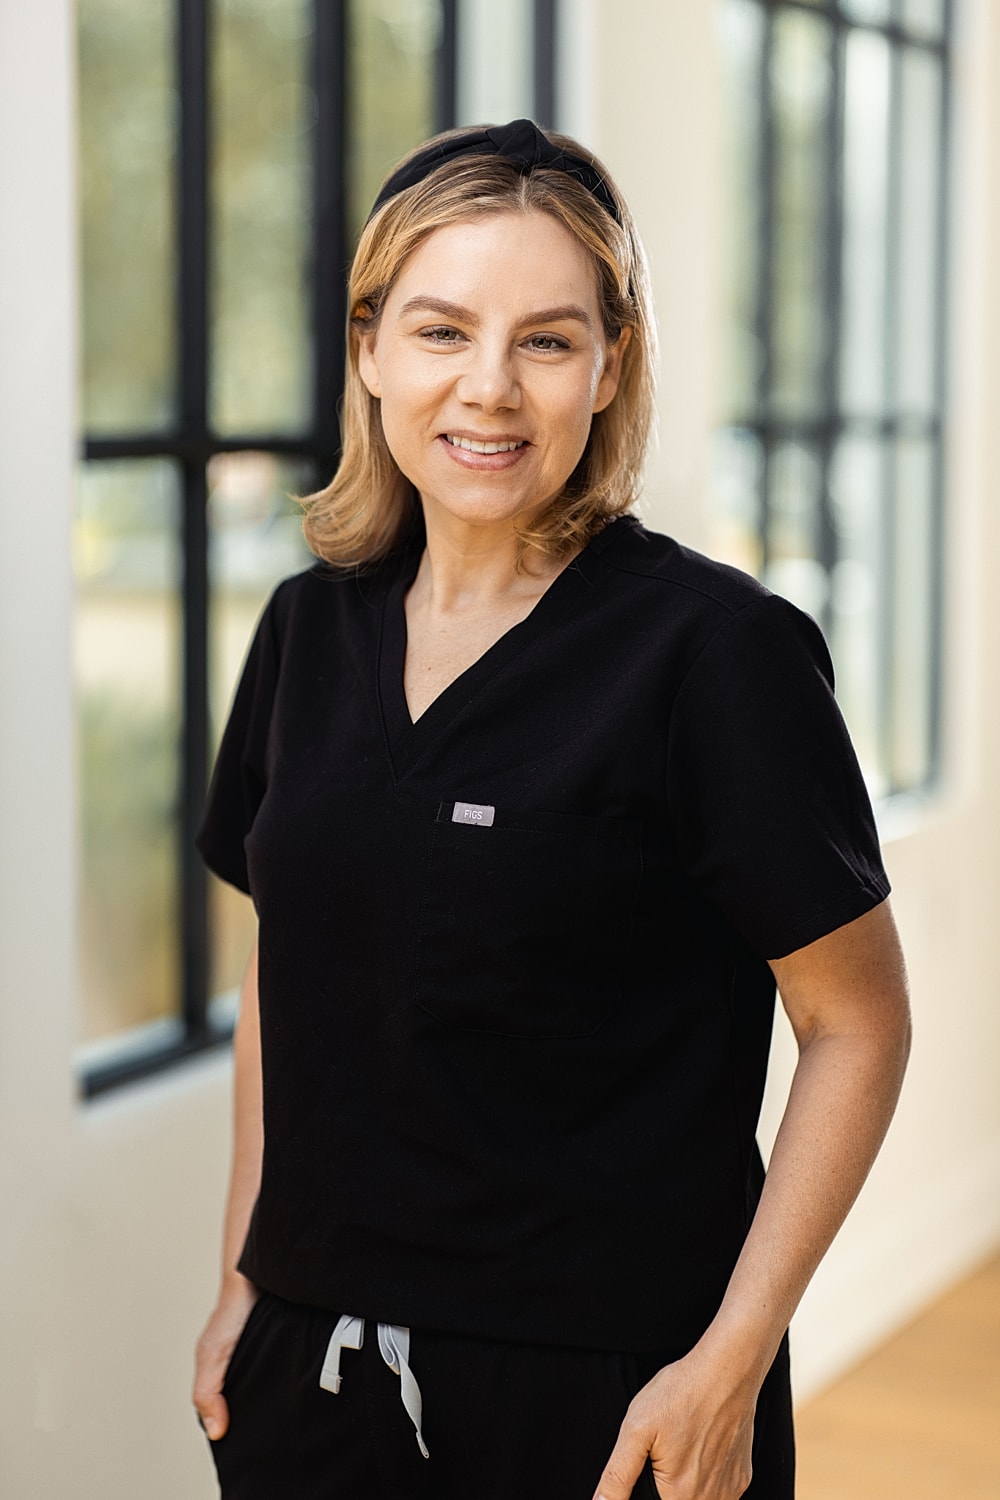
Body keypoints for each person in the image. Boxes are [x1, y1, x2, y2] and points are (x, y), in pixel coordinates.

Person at [192, 120, 911, 1500]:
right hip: (311, 1386)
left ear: (609, 366)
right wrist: (244, 1281)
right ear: (370, 351)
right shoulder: (303, 631)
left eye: (547, 339)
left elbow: (855, 1022)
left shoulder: (715, 655)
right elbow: (285, 983)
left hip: (611, 1402)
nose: (489, 391)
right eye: (442, 329)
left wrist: (731, 1364)